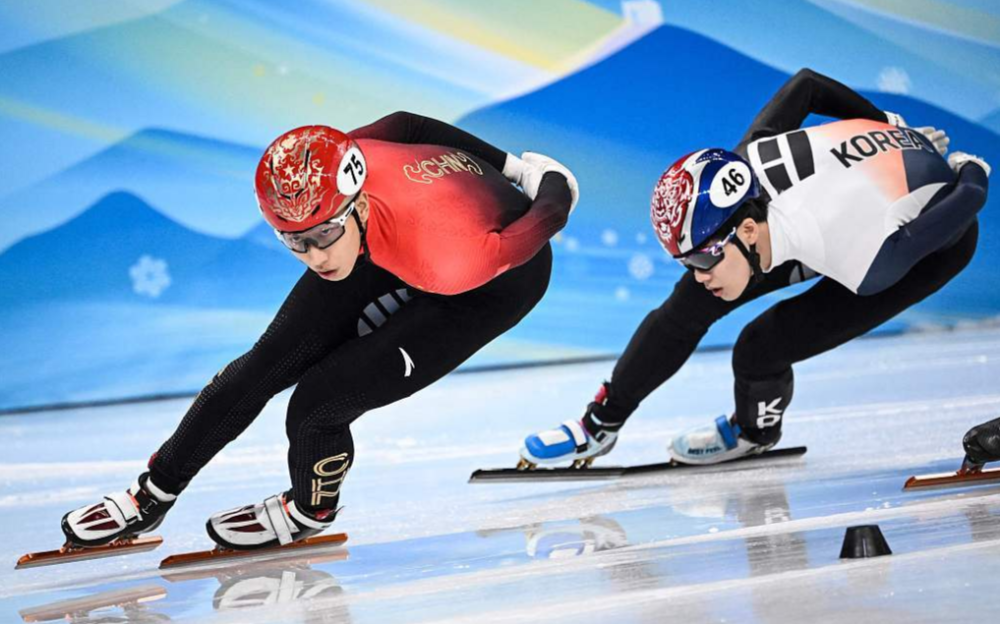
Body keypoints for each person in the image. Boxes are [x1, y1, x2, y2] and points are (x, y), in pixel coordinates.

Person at [61, 112, 578, 550]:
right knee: (263, 364)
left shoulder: (452, 261)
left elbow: (549, 215)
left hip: (492, 280)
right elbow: (406, 122)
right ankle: (152, 495)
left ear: (358, 205)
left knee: (318, 403)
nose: (315, 257)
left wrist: (538, 176)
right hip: (388, 239)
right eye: (294, 242)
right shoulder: (334, 167)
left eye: (323, 236)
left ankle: (310, 511)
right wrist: (506, 165)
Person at [521, 68, 990, 468]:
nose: (697, 270)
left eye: (702, 258)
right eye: (687, 260)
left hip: (930, 241)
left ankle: (753, 433)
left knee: (759, 349)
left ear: (745, 231)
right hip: (826, 214)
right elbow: (805, 86)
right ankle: (599, 426)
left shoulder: (865, 257)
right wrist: (880, 123)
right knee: (687, 304)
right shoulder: (749, 163)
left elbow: (967, 203)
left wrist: (967, 170)